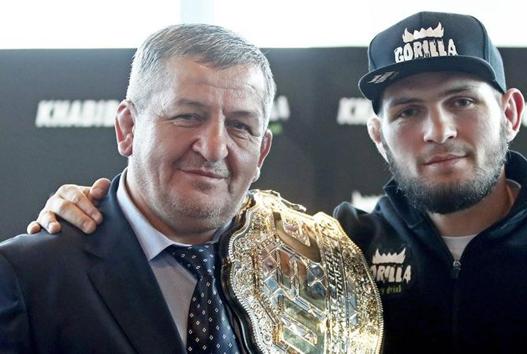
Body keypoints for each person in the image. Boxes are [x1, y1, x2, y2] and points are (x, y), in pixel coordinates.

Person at [24, 11, 527, 354]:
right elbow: (198, 206)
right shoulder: (335, 247)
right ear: (377, 134)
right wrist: (97, 203)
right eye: (407, 111)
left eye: (462, 101)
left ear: (513, 113)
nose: (438, 130)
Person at [1, 24, 382, 353]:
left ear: (262, 151)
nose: (215, 147)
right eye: (188, 116)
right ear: (128, 128)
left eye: (240, 126)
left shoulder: (317, 267)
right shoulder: (28, 276)